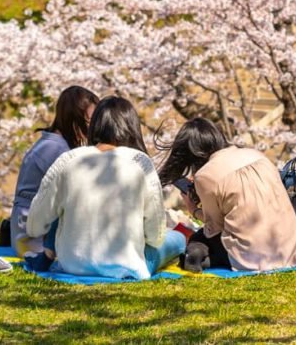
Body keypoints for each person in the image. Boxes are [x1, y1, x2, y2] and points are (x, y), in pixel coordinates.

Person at [26, 96, 186, 279]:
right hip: (127, 265)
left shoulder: (68, 160)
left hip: (72, 265)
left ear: (95, 125)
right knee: (177, 239)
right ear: (132, 127)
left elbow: (34, 226)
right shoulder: (139, 162)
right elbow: (155, 237)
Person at [158, 117, 296, 272]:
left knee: (200, 237)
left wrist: (194, 210)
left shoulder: (205, 176)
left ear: (191, 153)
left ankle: (197, 257)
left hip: (256, 257)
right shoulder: (256, 154)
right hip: (295, 249)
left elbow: (214, 228)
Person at [10, 86, 99, 263]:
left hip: (31, 225)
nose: (93, 127)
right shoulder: (55, 149)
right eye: (89, 121)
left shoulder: (52, 142)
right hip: (33, 236)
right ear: (73, 119)